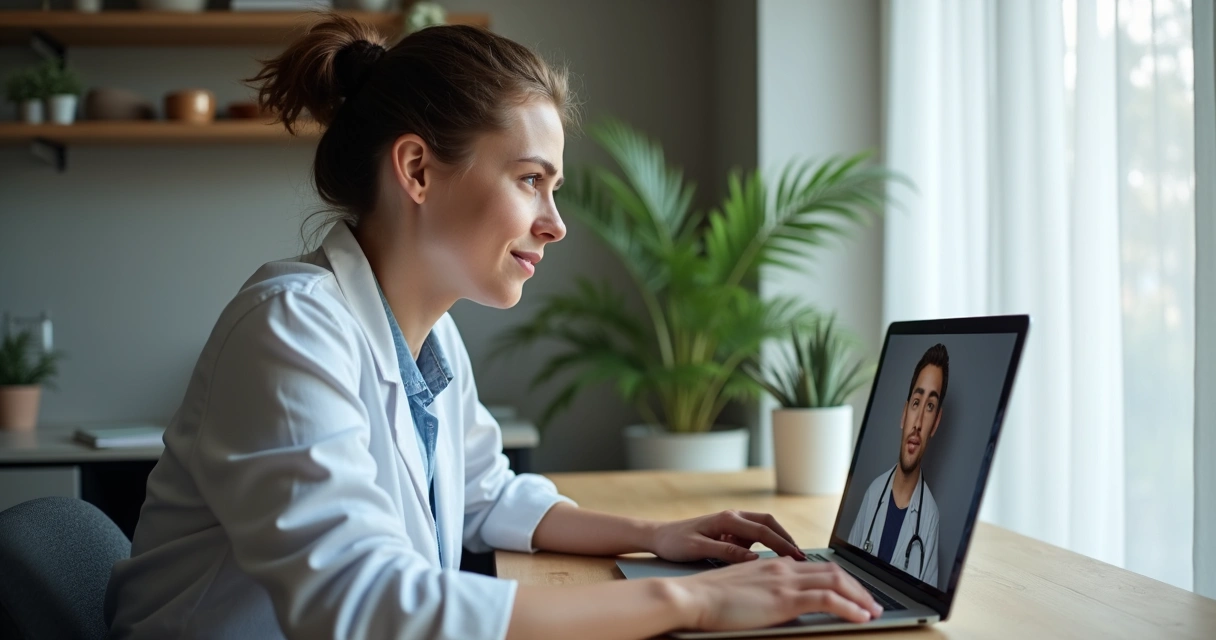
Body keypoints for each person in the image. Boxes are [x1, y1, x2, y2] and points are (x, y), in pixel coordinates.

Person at [102, 14, 882, 640]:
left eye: (554, 187)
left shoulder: (431, 336)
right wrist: (693, 603)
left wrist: (657, 536)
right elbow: (357, 600)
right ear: (416, 170)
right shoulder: (291, 328)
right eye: (530, 180)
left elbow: (487, 497)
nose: (555, 224)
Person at [847, 344, 947, 588]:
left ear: (935, 424)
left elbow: (924, 603)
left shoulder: (930, 517)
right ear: (904, 414)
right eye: (916, 402)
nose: (918, 422)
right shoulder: (874, 492)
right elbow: (845, 571)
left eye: (930, 407)